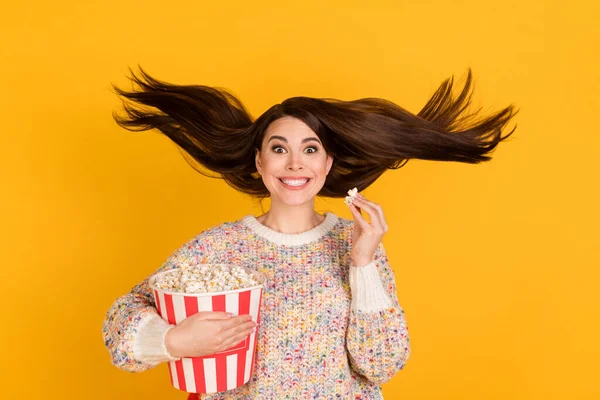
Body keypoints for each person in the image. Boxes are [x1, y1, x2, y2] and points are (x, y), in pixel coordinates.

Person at [102, 68, 517, 399]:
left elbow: (382, 364)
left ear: (328, 163)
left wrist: (363, 262)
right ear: (259, 161)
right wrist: (173, 340)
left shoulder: (353, 243)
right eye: (279, 149)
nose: (295, 164)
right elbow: (120, 328)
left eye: (311, 149)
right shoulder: (218, 248)